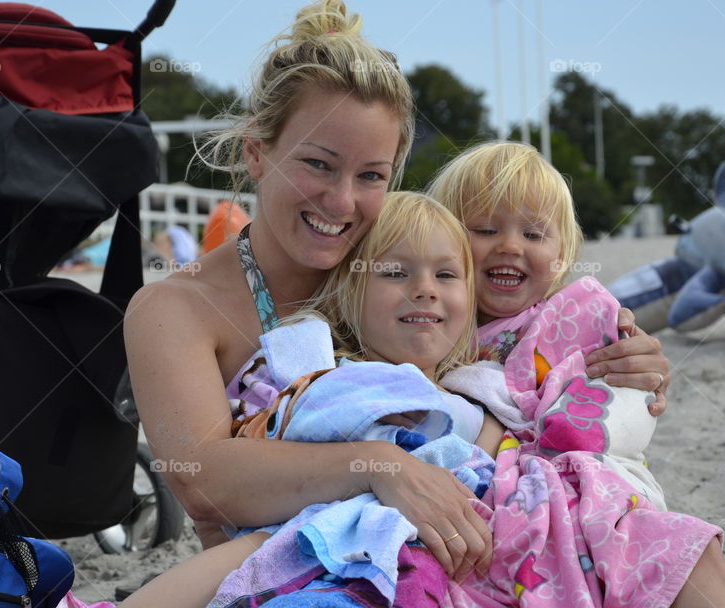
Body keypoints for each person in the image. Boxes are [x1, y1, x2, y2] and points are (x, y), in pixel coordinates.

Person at [123, 0, 672, 589]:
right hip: (285, 579)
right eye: (318, 164)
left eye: (371, 176)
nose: (341, 202)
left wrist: (622, 358)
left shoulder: (404, 279)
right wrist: (381, 467)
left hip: (448, 562)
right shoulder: (175, 309)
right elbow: (205, 480)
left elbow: (530, 330)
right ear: (257, 153)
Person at [125, 191, 504, 607]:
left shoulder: (480, 401)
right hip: (313, 553)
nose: (425, 289)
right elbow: (253, 521)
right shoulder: (332, 381)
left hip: (426, 566)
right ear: (350, 293)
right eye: (395, 272)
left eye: (447, 276)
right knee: (274, 545)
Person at [427, 141, 725, 607]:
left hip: (592, 497)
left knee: (687, 552)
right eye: (484, 228)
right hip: (487, 515)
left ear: (563, 252)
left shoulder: (574, 320)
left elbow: (622, 411)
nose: (511, 245)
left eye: (535, 236)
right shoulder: (426, 324)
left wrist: (640, 380)